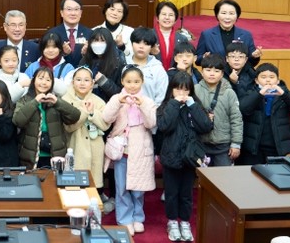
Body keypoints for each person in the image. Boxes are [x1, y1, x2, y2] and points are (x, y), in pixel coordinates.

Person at [156, 71, 214, 242]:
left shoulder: (195, 105)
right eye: (178, 89)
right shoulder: (165, 106)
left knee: (186, 194)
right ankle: (172, 222)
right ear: (171, 89)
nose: (182, 93)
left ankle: (185, 222)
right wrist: (175, 104)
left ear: (191, 91)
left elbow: (206, 126)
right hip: (171, 156)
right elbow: (164, 126)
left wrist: (192, 105)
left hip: (190, 158)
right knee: (171, 193)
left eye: (185, 90)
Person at [102, 65, 157, 236]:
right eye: (129, 81)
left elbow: (151, 124)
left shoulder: (148, 101)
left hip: (141, 152)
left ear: (142, 82)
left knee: (139, 188)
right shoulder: (117, 98)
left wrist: (143, 106)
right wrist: (119, 102)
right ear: (122, 82)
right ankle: (125, 219)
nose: (132, 85)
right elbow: (106, 118)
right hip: (122, 151)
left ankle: (138, 217)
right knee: (122, 188)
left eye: (136, 81)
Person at [237, 63, 290, 165]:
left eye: (271, 77)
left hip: (277, 146)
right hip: (253, 147)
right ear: (256, 80)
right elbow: (242, 109)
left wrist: (284, 94)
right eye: (263, 77)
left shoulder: (284, 95)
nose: (268, 80)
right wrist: (259, 94)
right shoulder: (250, 92)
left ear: (277, 80)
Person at [13, 67, 81, 169]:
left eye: (48, 80)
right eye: (40, 78)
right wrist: (35, 102)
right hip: (30, 156)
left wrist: (57, 102)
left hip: (56, 156)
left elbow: (75, 116)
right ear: (33, 80)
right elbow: (17, 121)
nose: (44, 83)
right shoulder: (24, 100)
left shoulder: (56, 100)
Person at [62, 67, 111, 190]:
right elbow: (68, 127)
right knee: (75, 185)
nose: (82, 83)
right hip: (74, 147)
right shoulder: (65, 100)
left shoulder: (98, 101)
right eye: (78, 80)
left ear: (92, 84)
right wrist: (84, 112)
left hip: (95, 147)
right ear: (72, 82)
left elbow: (106, 125)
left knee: (93, 185)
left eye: (86, 80)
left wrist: (93, 113)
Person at [194, 54, 243, 167]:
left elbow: (236, 119)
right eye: (208, 70)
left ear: (221, 74)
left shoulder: (229, 92)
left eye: (216, 71)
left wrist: (236, 144)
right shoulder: (195, 90)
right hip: (200, 143)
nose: (212, 74)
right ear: (202, 72)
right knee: (201, 176)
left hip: (223, 145)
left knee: (223, 176)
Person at [196, 0, 262, 66]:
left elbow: (251, 62)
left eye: (231, 13)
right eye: (223, 13)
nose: (227, 17)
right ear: (217, 15)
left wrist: (254, 56)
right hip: (217, 72)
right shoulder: (207, 34)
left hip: (239, 72)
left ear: (237, 16)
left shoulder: (246, 35)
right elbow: (197, 60)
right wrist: (204, 57)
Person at [80, 28, 126, 102]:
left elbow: (122, 93)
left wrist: (104, 82)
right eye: (96, 40)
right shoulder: (85, 60)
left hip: (110, 105)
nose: (98, 44)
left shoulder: (118, 61)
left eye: (102, 40)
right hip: (87, 103)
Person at [45, 0, 92, 67]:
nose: (73, 13)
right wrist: (63, 54)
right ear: (61, 13)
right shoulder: (52, 33)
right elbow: (46, 59)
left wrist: (86, 54)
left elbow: (95, 60)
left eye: (76, 9)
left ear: (81, 13)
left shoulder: (90, 33)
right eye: (69, 9)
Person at [126, 27, 168, 106]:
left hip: (149, 111)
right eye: (138, 42)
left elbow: (160, 97)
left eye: (146, 44)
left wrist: (150, 110)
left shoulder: (158, 69)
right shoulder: (124, 63)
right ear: (131, 43)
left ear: (151, 47)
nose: (141, 47)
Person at [24, 32, 75, 97]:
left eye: (54, 47)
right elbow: (25, 89)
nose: (50, 50)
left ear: (60, 49)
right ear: (42, 49)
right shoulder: (32, 67)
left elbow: (68, 93)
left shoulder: (68, 68)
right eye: (47, 47)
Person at [152, 1, 191, 70]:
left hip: (175, 74)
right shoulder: (149, 35)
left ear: (175, 20)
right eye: (164, 14)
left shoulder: (182, 39)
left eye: (171, 15)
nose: (167, 17)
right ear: (157, 18)